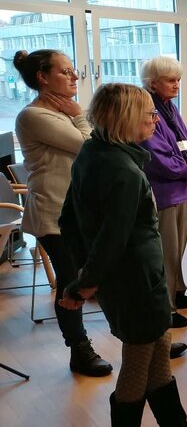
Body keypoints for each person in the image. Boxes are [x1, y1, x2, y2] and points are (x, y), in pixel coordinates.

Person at [59, 83, 187, 427]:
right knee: (138, 359)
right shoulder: (123, 170)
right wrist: (86, 282)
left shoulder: (92, 153)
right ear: (126, 118)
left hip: (129, 280)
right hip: (136, 281)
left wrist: (85, 273)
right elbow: (114, 239)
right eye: (149, 113)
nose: (155, 119)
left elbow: (69, 221)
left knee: (158, 347)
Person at [13, 49, 112, 377]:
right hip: (54, 215)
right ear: (42, 77)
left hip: (79, 213)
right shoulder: (33, 116)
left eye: (74, 71)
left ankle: (141, 336)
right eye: (65, 71)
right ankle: (79, 351)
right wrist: (80, 115)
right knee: (72, 281)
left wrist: (78, 116)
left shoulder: (65, 113)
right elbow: (91, 145)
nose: (74, 77)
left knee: (99, 274)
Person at [140, 56, 187, 329]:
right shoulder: (146, 108)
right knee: (166, 251)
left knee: (179, 247)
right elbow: (156, 154)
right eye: (170, 80)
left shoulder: (170, 107)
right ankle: (164, 308)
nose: (177, 84)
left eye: (178, 79)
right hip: (165, 191)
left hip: (181, 187)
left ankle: (178, 292)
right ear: (153, 83)